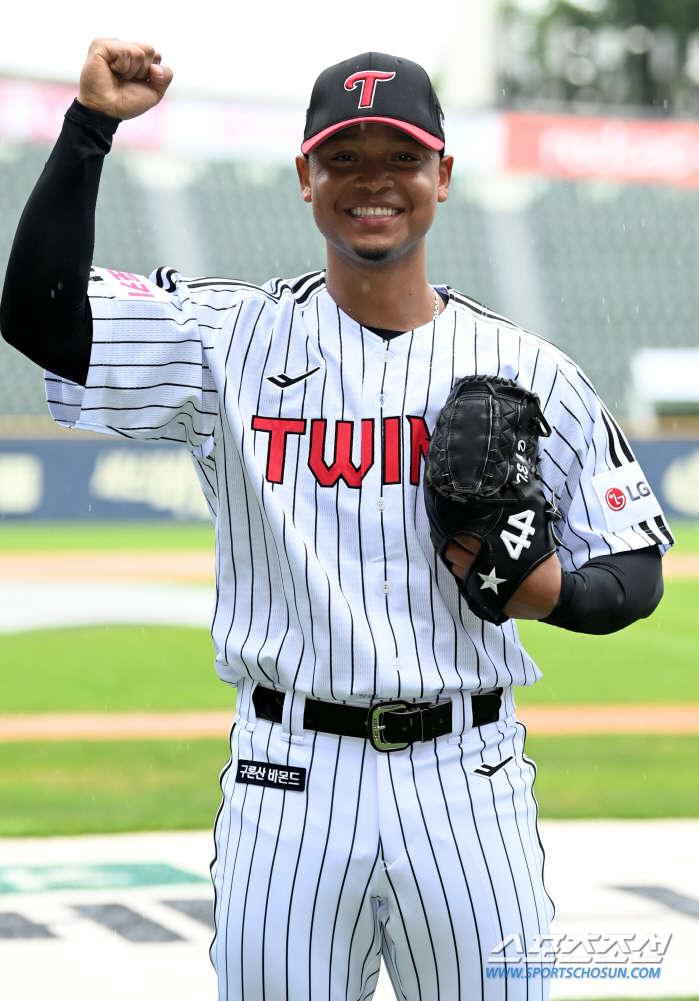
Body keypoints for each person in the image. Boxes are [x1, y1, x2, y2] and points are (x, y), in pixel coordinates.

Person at [0, 38, 671, 1001]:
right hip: (288, 779)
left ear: (442, 173)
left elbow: (634, 568)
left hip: (466, 779)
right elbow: (40, 315)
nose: (373, 183)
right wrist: (90, 127)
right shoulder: (226, 339)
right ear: (305, 177)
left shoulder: (530, 367)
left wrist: (547, 589)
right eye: (344, 157)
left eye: (399, 157)